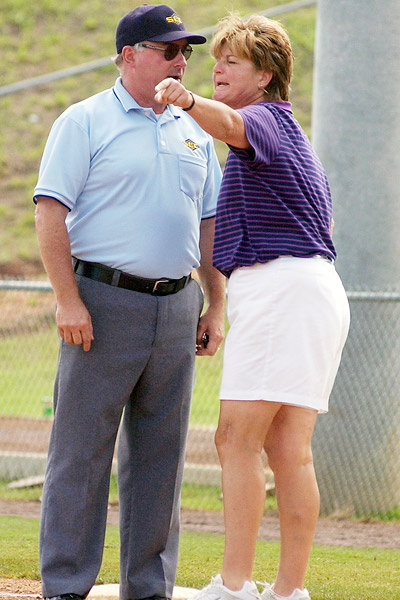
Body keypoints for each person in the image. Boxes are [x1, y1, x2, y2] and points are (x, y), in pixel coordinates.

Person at [155, 12, 350, 600]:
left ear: (266, 76)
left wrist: (186, 99)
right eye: (215, 59)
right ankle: (287, 592)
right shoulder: (295, 136)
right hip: (312, 291)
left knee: (234, 440)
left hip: (281, 291)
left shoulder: (263, 119)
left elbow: (230, 124)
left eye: (231, 61)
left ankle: (233, 586)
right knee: (288, 449)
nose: (217, 68)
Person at [33, 5, 226, 600]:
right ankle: (66, 585)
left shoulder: (195, 127)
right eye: (169, 50)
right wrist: (68, 300)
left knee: (161, 459)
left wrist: (215, 305)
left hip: (175, 308)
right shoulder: (84, 120)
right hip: (101, 300)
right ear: (129, 55)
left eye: (185, 51)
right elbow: (49, 211)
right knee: (81, 454)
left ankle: (148, 587)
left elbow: (209, 227)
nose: (182, 60)